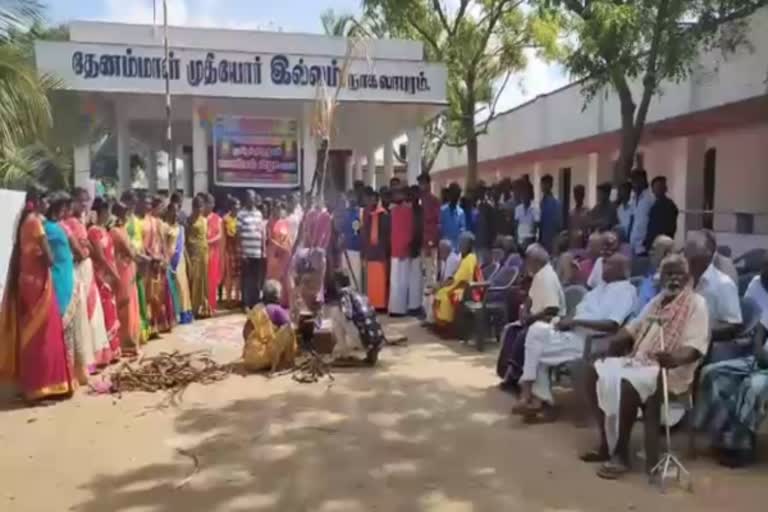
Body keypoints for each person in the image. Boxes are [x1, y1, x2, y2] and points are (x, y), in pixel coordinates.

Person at [581, 254, 709, 479]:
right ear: (661, 278)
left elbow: (695, 347)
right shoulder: (657, 301)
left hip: (672, 369)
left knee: (629, 383)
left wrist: (673, 359)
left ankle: (621, 455)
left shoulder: (697, 304)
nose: (674, 279)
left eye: (679, 274)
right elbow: (633, 328)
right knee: (593, 371)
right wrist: (614, 343)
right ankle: (606, 444)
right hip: (640, 361)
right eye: (669, 274)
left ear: (688, 278)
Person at [514, 254, 637, 422]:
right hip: (572, 335)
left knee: (535, 349)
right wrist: (566, 321)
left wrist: (576, 322)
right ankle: (536, 399)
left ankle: (532, 396)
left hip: (595, 341)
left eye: (608, 266)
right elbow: (578, 310)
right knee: (536, 331)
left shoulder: (626, 291)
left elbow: (612, 325)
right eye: (604, 264)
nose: (602, 268)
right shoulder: (599, 288)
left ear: (622, 270)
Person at [0, 191, 76, 401]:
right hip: (40, 285)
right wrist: (46, 255)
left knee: (30, 332)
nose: (47, 204)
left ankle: (30, 385)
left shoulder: (23, 223)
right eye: (45, 200)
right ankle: (46, 384)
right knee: (46, 333)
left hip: (25, 282)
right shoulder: (36, 224)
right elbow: (50, 258)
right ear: (38, 202)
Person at [693, 256, 768, 467]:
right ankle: (719, 434)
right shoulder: (761, 287)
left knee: (751, 387)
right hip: (759, 358)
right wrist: (758, 347)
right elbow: (762, 327)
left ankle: (741, 445)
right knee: (713, 372)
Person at [497, 244, 566, 387]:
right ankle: (510, 375)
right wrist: (524, 310)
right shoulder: (538, 275)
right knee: (511, 330)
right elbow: (530, 298)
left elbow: (552, 309)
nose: (525, 264)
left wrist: (530, 318)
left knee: (523, 334)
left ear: (535, 261)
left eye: (527, 261)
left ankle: (516, 376)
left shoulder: (547, 277)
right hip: (535, 318)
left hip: (549, 322)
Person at [63, 188, 112, 370]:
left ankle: (97, 355)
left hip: (87, 269)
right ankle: (85, 360)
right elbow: (79, 252)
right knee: (84, 312)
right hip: (78, 271)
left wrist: (86, 249)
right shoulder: (68, 223)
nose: (84, 204)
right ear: (73, 201)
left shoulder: (81, 222)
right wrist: (85, 250)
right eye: (80, 201)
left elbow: (87, 248)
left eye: (86, 200)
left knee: (93, 311)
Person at [686, 232, 742, 362]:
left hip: (702, 348)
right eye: (686, 254)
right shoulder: (682, 282)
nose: (687, 260)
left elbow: (734, 326)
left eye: (693, 257)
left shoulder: (723, 284)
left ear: (707, 255)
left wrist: (702, 332)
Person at [87, 197, 122, 361]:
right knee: (105, 309)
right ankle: (105, 352)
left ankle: (114, 350)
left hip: (110, 272)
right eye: (107, 211)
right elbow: (100, 257)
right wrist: (113, 274)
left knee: (111, 308)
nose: (109, 214)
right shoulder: (93, 231)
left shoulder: (105, 230)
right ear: (100, 212)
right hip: (101, 275)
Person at [332, 270, 386, 366]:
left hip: (362, 339)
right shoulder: (358, 292)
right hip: (378, 340)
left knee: (336, 314)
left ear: (337, 283)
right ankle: (372, 351)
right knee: (364, 317)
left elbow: (347, 314)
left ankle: (344, 354)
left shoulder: (343, 294)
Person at [110, 201, 141, 354]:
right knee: (125, 303)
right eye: (123, 212)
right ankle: (125, 341)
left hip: (129, 268)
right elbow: (129, 251)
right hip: (122, 269)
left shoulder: (122, 229)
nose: (126, 215)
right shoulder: (115, 231)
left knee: (132, 301)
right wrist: (141, 258)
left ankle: (132, 339)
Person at [434, 232, 480, 330]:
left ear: (469, 245)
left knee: (444, 294)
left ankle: (447, 325)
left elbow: (462, 278)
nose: (460, 246)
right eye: (460, 243)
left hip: (467, 289)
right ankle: (442, 324)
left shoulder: (470, 258)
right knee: (440, 292)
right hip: (459, 285)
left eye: (463, 244)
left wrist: (447, 285)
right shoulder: (464, 258)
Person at [164, 202, 194, 324]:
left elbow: (183, 246)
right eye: (173, 211)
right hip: (169, 260)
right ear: (168, 212)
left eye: (177, 211)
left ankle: (185, 313)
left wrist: (188, 261)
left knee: (183, 287)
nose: (175, 214)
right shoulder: (165, 227)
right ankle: (173, 314)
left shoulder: (181, 228)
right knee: (172, 287)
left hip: (180, 260)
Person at [361, 188, 390, 311]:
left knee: (381, 280)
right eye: (368, 198)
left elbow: (387, 233)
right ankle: (372, 303)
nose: (370, 201)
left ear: (377, 200)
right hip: (370, 251)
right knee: (371, 281)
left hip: (381, 251)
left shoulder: (383, 214)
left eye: (373, 198)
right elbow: (364, 232)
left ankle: (381, 305)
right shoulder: (366, 213)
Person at [388, 185, 415, 316]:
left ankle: (402, 309)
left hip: (404, 250)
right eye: (395, 195)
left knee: (403, 281)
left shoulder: (408, 211)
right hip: (394, 249)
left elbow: (410, 231)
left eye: (399, 195)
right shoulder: (393, 211)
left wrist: (406, 245)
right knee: (395, 281)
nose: (396, 197)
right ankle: (394, 308)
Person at [238, 190, 266, 308]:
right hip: (246, 252)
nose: (251, 200)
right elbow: (238, 234)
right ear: (246, 199)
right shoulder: (241, 214)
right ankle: (245, 303)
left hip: (257, 252)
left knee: (256, 279)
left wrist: (263, 250)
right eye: (249, 198)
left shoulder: (259, 214)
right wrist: (241, 252)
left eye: (252, 198)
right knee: (246, 279)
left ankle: (254, 303)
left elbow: (262, 232)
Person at [423, 239, 461, 325]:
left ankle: (431, 321)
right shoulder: (446, 259)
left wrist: (437, 287)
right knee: (428, 291)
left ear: (445, 250)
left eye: (441, 250)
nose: (439, 253)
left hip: (453, 287)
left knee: (432, 294)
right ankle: (431, 320)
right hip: (447, 285)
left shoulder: (452, 259)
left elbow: (449, 281)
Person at [635, 235, 675, 314]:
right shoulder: (651, 274)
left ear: (666, 254)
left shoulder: (666, 281)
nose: (650, 252)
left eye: (654, 249)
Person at [419, 173, 442, 312]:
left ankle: (430, 310)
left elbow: (436, 223)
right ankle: (423, 306)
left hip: (430, 243)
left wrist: (430, 242)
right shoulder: (419, 200)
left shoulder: (434, 201)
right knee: (423, 275)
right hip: (420, 243)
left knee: (431, 276)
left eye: (423, 183)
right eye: (420, 183)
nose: (422, 186)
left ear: (428, 183)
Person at [186, 195, 212, 318]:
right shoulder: (189, 220)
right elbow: (186, 239)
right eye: (197, 206)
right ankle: (193, 308)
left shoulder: (205, 220)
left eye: (201, 206)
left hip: (204, 252)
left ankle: (203, 308)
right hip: (193, 253)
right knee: (194, 280)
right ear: (193, 207)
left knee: (203, 280)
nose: (199, 209)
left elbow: (205, 237)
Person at [265, 200, 294, 306]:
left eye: (280, 208)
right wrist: (280, 247)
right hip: (274, 255)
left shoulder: (284, 222)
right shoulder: (270, 223)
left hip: (285, 255)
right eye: (276, 208)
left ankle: (285, 301)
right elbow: (269, 239)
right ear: (273, 209)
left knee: (285, 278)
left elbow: (288, 237)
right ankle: (272, 300)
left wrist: (290, 248)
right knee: (273, 278)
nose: (278, 210)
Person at [644, 176, 679, 251]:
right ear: (653, 189)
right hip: (652, 244)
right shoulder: (653, 204)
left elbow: (670, 228)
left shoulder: (670, 206)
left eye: (661, 186)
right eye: (657, 187)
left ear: (665, 188)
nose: (659, 189)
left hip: (662, 245)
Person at [339, 191, 363, 290]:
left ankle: (357, 296)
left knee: (356, 276)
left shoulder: (361, 212)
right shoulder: (344, 214)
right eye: (350, 198)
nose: (351, 200)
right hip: (346, 249)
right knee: (346, 276)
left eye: (353, 198)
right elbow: (341, 230)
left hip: (357, 249)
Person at [628, 169, 655, 256]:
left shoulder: (650, 198)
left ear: (642, 179)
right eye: (632, 181)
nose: (633, 184)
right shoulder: (633, 198)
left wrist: (647, 241)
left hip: (644, 246)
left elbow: (653, 221)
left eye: (635, 180)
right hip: (633, 244)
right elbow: (633, 219)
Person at [205, 194, 223, 313]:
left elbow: (220, 235)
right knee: (203, 279)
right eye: (207, 203)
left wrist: (209, 241)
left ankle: (212, 305)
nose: (209, 205)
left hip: (214, 253)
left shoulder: (218, 219)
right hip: (202, 253)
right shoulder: (200, 218)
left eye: (211, 203)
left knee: (212, 279)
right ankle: (203, 305)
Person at [222, 197, 241, 307]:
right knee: (229, 275)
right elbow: (227, 235)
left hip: (239, 250)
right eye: (235, 205)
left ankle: (237, 298)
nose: (237, 208)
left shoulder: (240, 218)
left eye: (238, 205)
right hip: (229, 250)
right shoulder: (226, 219)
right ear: (231, 206)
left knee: (239, 275)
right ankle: (228, 299)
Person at [539, 174, 562, 253]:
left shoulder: (556, 203)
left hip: (552, 238)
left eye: (546, 184)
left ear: (550, 185)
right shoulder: (542, 202)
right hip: (543, 238)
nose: (543, 186)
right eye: (542, 184)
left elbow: (558, 224)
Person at [439, 182, 466, 250]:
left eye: (457, 194)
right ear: (449, 195)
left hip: (456, 248)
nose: (455, 196)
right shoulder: (442, 210)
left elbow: (462, 230)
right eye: (453, 193)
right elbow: (439, 228)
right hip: (444, 249)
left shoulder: (461, 212)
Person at [514, 181, 539, 248]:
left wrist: (528, 239)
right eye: (523, 193)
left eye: (526, 193)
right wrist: (516, 240)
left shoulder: (535, 209)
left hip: (530, 240)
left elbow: (535, 227)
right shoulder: (518, 209)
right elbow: (516, 226)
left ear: (530, 194)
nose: (524, 196)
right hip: (520, 241)